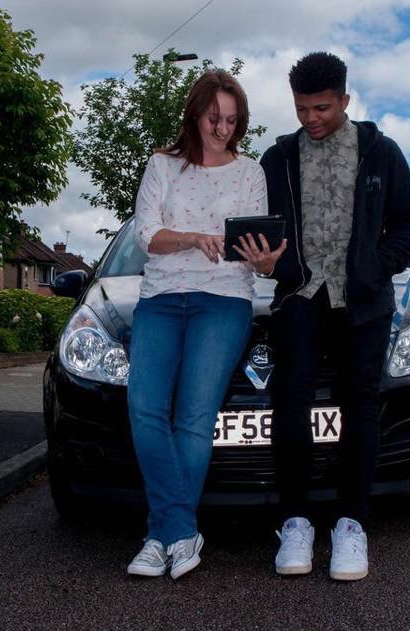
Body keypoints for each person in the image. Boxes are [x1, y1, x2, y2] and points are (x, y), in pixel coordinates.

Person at [256, 52, 410, 581]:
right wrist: (264, 259)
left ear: (345, 101)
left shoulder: (382, 153)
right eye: (302, 108)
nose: (311, 119)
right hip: (299, 297)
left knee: (360, 406)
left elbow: (408, 225)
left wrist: (376, 267)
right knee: (290, 403)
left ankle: (351, 523)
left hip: (362, 301)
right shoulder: (277, 158)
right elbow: (261, 228)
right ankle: (296, 522)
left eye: (322, 108)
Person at [126, 70, 285, 580]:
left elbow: (257, 257)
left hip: (223, 299)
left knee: (193, 417)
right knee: (145, 408)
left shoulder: (250, 172)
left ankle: (159, 535)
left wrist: (267, 259)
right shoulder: (162, 164)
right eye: (215, 118)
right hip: (162, 296)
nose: (222, 129)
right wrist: (194, 238)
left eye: (232, 120)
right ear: (195, 113)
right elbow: (146, 234)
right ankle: (177, 532)